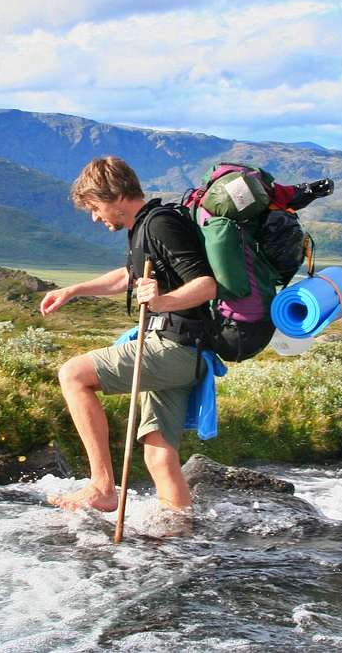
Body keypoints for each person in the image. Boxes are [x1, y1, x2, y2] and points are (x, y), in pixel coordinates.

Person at [39, 156, 216, 512]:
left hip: (174, 348)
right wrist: (75, 290)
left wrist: (163, 301)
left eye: (95, 206)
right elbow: (128, 276)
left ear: (117, 195)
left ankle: (102, 487)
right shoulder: (144, 227)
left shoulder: (161, 224)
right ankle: (179, 534)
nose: (95, 216)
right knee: (158, 453)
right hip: (182, 349)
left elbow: (207, 285)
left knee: (73, 375)